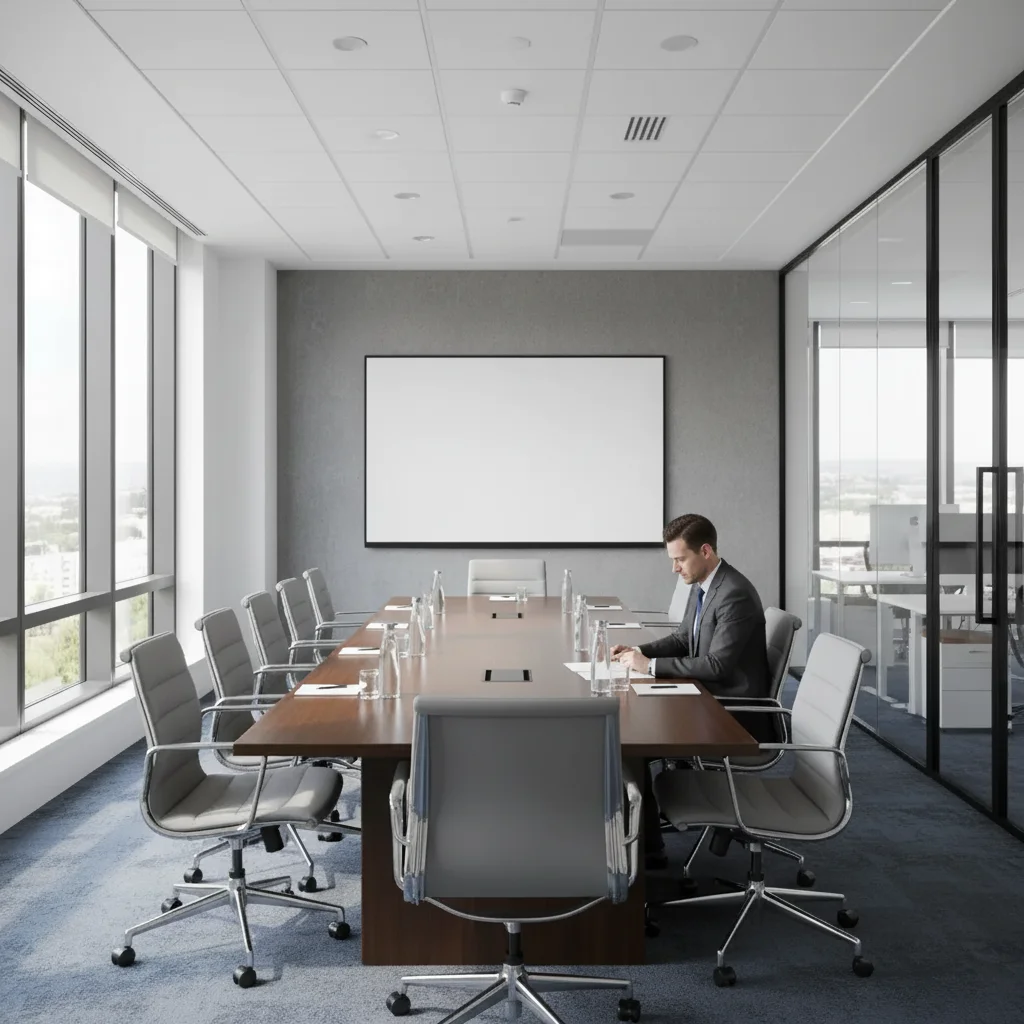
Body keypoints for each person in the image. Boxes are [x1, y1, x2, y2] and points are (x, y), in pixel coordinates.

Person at [613, 513, 772, 869]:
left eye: (680, 559)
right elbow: (684, 638)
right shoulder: (704, 585)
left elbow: (717, 666)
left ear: (705, 551)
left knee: (632, 743)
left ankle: (645, 852)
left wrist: (649, 667)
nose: (674, 568)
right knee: (632, 730)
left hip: (733, 714)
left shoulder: (734, 594)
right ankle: (646, 844)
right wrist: (637, 652)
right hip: (706, 698)